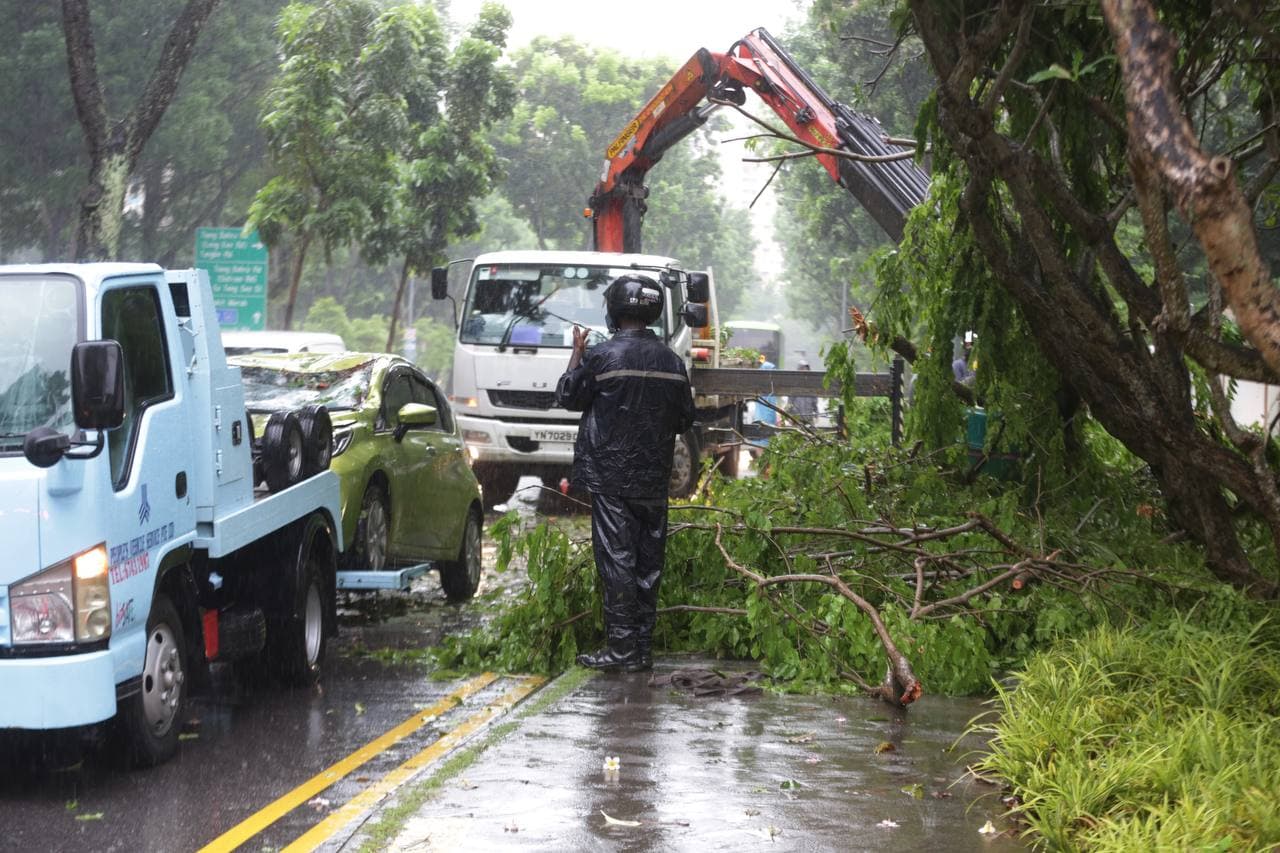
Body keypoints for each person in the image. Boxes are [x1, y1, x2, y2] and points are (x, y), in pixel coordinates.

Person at [555, 274, 696, 673]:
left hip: (611, 479)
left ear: (615, 310)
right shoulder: (672, 360)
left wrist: (577, 354)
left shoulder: (601, 357)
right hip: (654, 478)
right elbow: (686, 418)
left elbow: (567, 395)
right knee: (649, 562)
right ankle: (643, 650)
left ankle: (621, 650)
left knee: (617, 560)